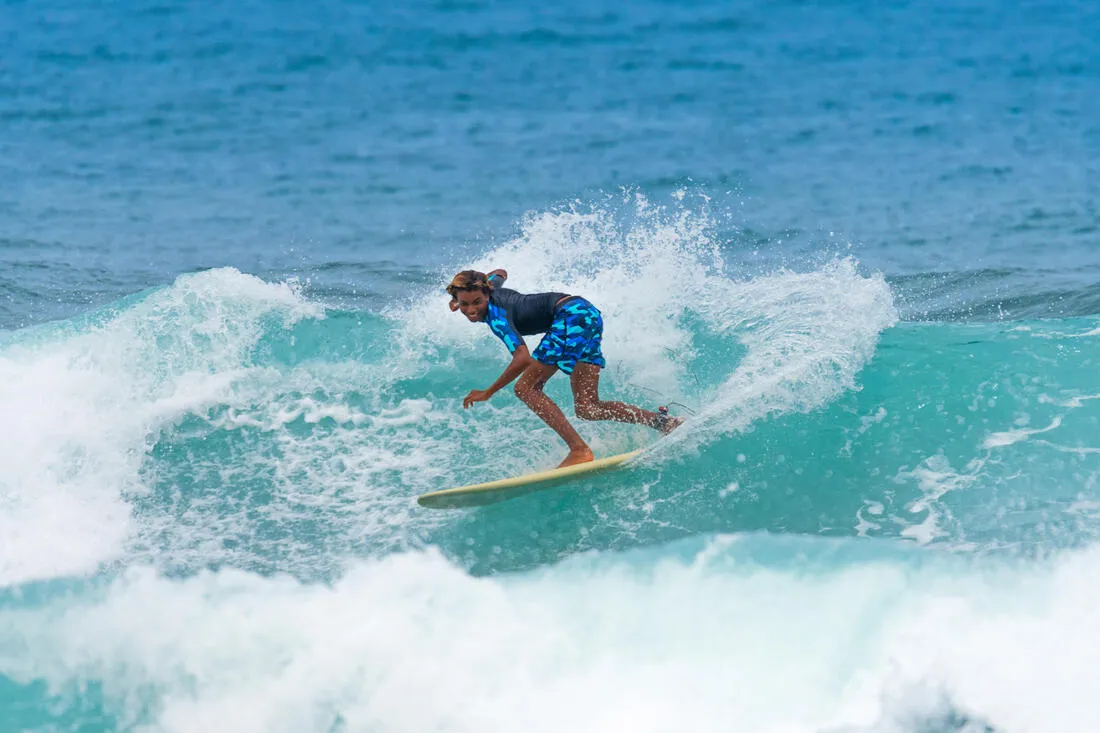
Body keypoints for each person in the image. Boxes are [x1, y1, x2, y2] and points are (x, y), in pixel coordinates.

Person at [446, 269, 683, 467]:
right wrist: (461, 298)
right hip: (587, 313)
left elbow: (522, 359)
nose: (471, 309)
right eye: (464, 304)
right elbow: (499, 273)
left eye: (477, 301)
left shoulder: (497, 318)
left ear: (487, 293)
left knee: (525, 389)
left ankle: (579, 450)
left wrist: (488, 392)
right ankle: (664, 423)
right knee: (588, 408)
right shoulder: (489, 286)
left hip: (569, 317)